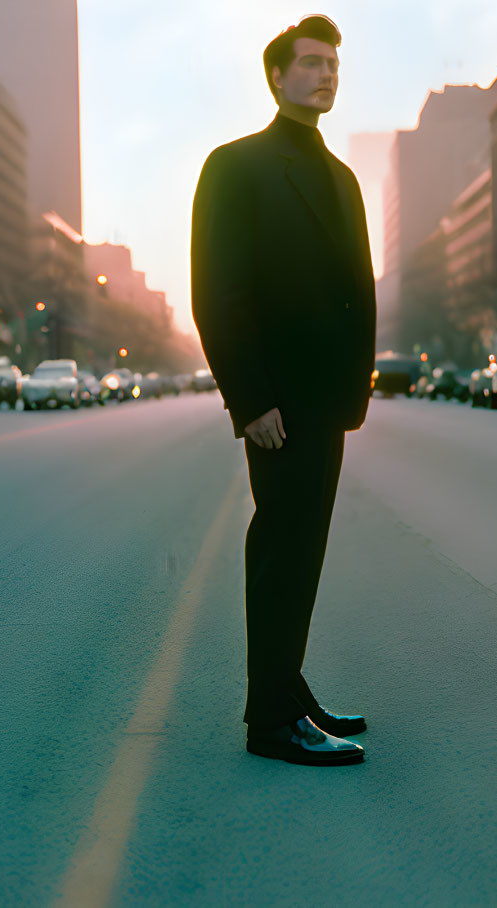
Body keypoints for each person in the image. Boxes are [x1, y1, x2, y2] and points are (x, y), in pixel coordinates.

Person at [191, 15, 376, 767]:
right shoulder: (234, 166)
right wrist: (250, 399)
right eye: (309, 63)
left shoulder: (340, 175)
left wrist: (355, 389)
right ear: (275, 77)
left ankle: (286, 687)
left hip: (326, 399)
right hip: (278, 405)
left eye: (333, 63)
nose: (325, 74)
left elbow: (352, 288)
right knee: (281, 552)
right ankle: (270, 721)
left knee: (304, 554)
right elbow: (219, 290)